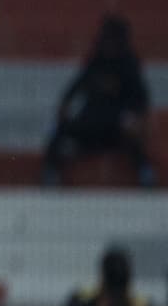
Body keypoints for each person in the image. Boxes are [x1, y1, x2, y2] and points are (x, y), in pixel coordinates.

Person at [42, 16, 156, 188]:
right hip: (90, 121)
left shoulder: (128, 65)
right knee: (60, 130)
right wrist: (64, 104)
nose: (109, 44)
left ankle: (145, 173)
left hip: (115, 124)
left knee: (133, 138)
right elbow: (76, 85)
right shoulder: (96, 61)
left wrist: (136, 118)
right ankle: (51, 173)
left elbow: (140, 98)